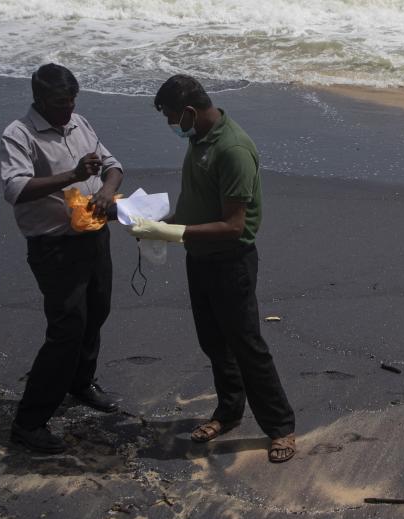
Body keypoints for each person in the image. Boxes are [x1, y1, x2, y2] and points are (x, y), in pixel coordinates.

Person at [126, 74, 296, 463]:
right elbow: (199, 201)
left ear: (188, 111)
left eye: (171, 117)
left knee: (247, 346)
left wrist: (168, 232)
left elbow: (235, 225)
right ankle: (229, 412)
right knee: (213, 342)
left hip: (229, 261)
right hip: (198, 256)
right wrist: (158, 222)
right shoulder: (200, 138)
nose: (171, 125)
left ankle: (280, 426)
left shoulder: (233, 149)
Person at [0, 63, 124, 453]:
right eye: (59, 102)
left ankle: (80, 382)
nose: (67, 108)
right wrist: (71, 176)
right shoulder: (19, 134)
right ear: (38, 99)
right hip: (54, 245)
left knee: (97, 312)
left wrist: (106, 190)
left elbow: (113, 166)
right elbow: (16, 189)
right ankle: (29, 421)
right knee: (67, 329)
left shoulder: (80, 123)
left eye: (72, 100)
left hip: (94, 235)